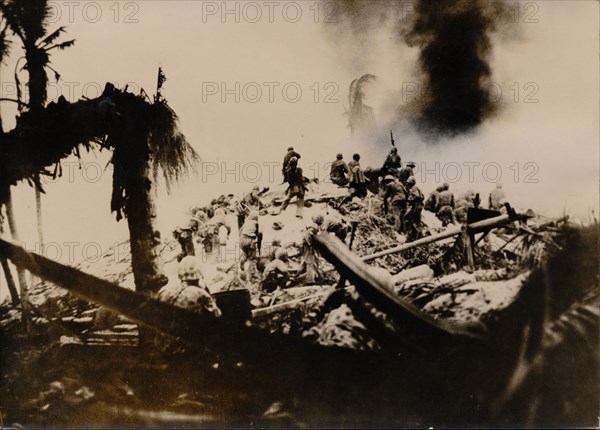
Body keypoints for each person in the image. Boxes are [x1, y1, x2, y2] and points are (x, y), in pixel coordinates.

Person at [403, 176, 424, 240]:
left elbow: (416, 196)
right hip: (418, 206)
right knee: (415, 220)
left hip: (416, 206)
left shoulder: (414, 188)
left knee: (409, 218)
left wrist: (410, 199)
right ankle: (414, 235)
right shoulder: (418, 188)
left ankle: (413, 235)